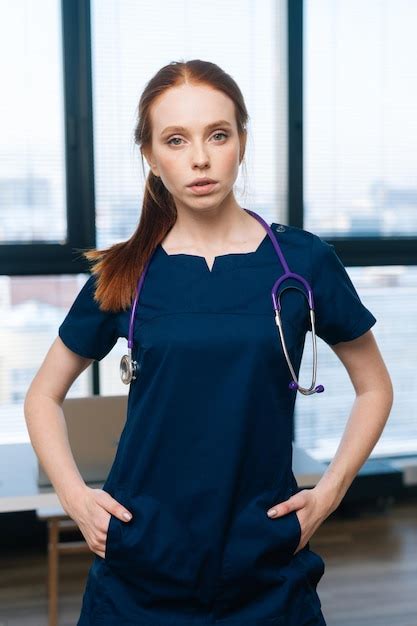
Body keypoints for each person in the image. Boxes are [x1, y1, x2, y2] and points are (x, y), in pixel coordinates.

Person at [24, 59, 393, 626]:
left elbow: (374, 387)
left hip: (266, 562)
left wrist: (327, 496)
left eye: (217, 135)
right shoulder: (125, 273)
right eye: (176, 139)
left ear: (242, 141)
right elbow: (42, 395)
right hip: (140, 564)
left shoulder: (302, 262)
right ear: (149, 154)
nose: (200, 157)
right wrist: (76, 497)